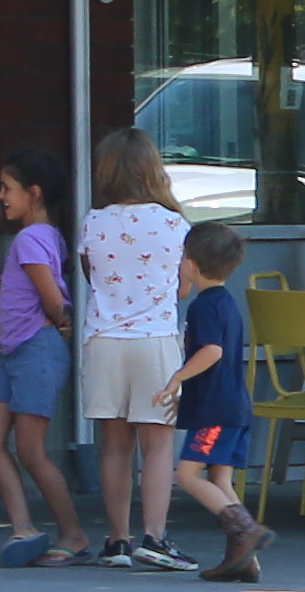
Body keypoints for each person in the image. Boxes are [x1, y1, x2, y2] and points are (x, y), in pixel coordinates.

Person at [80, 128, 196, 570]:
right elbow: (183, 286)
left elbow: (93, 276)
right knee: (158, 445)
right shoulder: (174, 224)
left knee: (114, 445)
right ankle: (156, 536)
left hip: (105, 340)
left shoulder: (94, 221)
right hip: (156, 340)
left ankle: (117, 540)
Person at [0, 150, 93, 567]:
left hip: (34, 352)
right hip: (17, 353)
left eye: (7, 188)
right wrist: (3, 284)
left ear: (34, 193)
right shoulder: (46, 236)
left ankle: (73, 533)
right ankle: (23, 528)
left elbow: (51, 299)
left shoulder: (29, 239)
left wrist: (57, 320)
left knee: (31, 450)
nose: (1, 196)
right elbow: (33, 294)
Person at [151, 222, 275, 582]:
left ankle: (247, 530)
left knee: (187, 474)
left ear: (190, 263)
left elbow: (212, 352)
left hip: (215, 414)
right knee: (220, 480)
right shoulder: (227, 303)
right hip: (234, 407)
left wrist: (177, 379)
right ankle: (244, 559)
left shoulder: (203, 308)